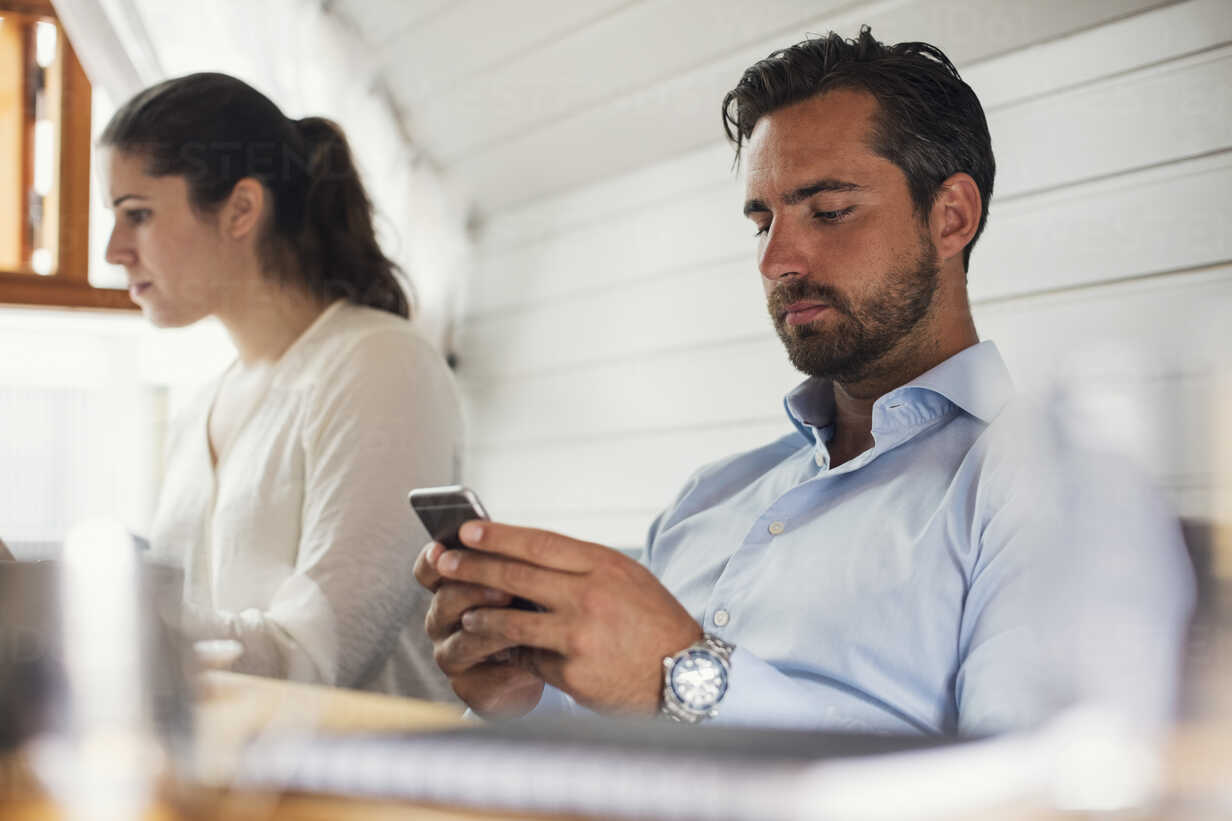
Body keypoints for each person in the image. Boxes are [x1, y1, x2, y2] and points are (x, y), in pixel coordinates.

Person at [414, 28, 1195, 734]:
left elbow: (1031, 796)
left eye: (826, 211)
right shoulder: (709, 497)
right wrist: (527, 696)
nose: (775, 260)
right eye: (762, 221)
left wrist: (682, 675)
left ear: (951, 217)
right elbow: (623, 729)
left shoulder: (1056, 487)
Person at [102, 73, 459, 700]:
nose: (113, 250)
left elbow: (317, 657)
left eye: (138, 215)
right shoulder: (200, 409)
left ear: (241, 209)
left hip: (366, 789)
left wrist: (97, 619)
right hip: (229, 787)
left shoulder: (380, 363)